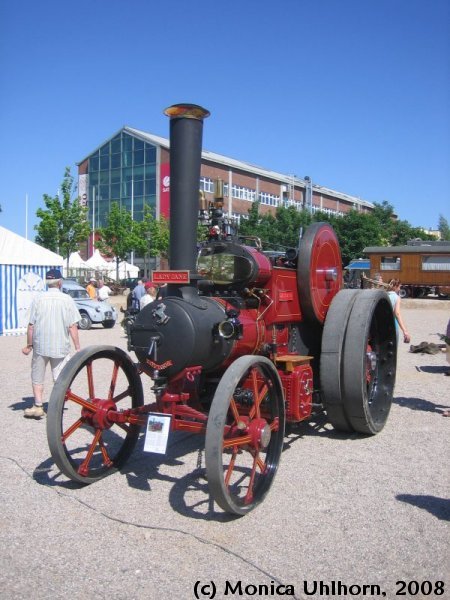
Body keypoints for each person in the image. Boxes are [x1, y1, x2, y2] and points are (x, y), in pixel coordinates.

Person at [21, 269, 81, 419]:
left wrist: (29, 345)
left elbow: (31, 326)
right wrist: (77, 347)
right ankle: (57, 407)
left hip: (40, 345)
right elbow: (72, 326)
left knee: (37, 376)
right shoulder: (67, 299)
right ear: (60, 282)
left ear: (47, 282)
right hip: (60, 346)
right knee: (60, 378)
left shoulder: (38, 299)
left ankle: (38, 406)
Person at [387, 279, 411, 344]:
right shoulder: (396, 297)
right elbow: (397, 313)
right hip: (391, 324)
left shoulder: (383, 295)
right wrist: (404, 331)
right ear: (395, 287)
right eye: (399, 287)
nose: (399, 289)